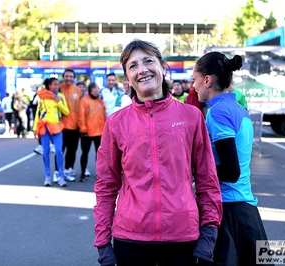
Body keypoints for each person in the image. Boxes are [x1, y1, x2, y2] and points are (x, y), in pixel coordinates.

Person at [94, 40, 222, 266]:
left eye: (148, 61)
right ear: (128, 78)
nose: (142, 70)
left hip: (182, 238)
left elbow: (207, 179)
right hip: (130, 239)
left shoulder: (191, 117)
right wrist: (103, 243)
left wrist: (209, 234)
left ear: (163, 67)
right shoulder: (115, 123)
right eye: (132, 66)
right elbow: (106, 185)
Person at [192, 51, 270, 266]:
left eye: (195, 80)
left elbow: (230, 171)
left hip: (227, 210)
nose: (193, 86)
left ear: (207, 80)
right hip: (245, 209)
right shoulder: (238, 108)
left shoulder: (217, 113)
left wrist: (191, 176)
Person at [33, 77, 69, 187]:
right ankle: (47, 176)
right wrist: (35, 128)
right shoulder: (42, 97)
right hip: (44, 127)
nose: (57, 86)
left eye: (58, 84)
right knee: (45, 151)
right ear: (49, 86)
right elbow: (38, 114)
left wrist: (58, 102)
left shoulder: (60, 96)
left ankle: (60, 176)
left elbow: (66, 112)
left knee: (59, 151)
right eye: (54, 85)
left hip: (57, 127)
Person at [55, 68, 82, 182]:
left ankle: (67, 170)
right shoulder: (58, 88)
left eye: (71, 76)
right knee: (60, 151)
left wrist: (81, 125)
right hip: (61, 127)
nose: (68, 78)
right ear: (63, 77)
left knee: (72, 151)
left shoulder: (78, 91)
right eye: (66, 76)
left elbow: (81, 110)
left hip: (75, 127)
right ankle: (57, 172)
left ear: (73, 78)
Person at [78, 82, 106, 182]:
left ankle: (99, 173)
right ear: (92, 90)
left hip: (100, 132)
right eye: (98, 88)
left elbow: (104, 116)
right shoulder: (84, 101)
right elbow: (81, 116)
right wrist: (83, 129)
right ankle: (82, 173)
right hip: (87, 132)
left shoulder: (100, 101)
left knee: (99, 155)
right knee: (85, 153)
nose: (99, 90)